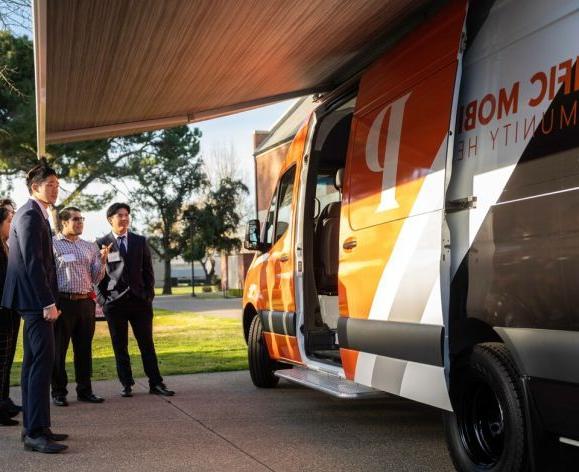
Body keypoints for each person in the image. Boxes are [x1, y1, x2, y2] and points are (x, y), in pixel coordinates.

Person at [1, 161, 68, 453]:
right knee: (41, 365)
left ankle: (38, 427)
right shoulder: (29, 215)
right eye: (49, 185)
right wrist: (48, 302)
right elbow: (32, 263)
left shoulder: (37, 214)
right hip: (34, 302)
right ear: (34, 188)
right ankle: (35, 433)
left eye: (56, 184)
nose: (54, 189)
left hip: (31, 301)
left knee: (33, 365)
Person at [96, 203, 174, 398]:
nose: (124, 218)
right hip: (114, 304)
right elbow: (97, 276)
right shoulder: (100, 243)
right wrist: (103, 300)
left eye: (126, 215)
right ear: (110, 219)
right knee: (119, 345)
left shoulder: (140, 241)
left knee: (147, 344)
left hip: (140, 302)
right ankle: (126, 384)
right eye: (119, 215)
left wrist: (149, 296)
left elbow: (148, 271)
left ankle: (156, 383)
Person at [51, 207, 109, 407]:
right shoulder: (53, 245)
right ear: (64, 222)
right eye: (76, 219)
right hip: (63, 303)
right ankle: (59, 392)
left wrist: (102, 261)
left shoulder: (89, 246)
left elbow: (95, 277)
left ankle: (85, 391)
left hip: (86, 303)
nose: (80, 222)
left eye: (82, 219)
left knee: (84, 350)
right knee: (59, 350)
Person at [0, 199, 20, 426]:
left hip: (10, 312)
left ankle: (4, 401)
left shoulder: (7, 246)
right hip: (2, 313)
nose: (12, 224)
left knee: (5, 362)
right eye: (9, 220)